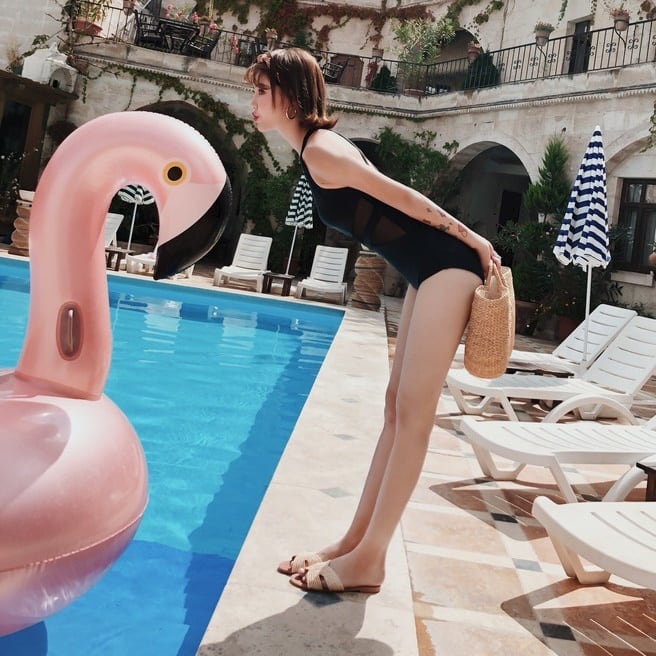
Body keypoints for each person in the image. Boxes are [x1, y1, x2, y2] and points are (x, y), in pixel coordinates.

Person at [245, 47, 501, 594]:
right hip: (425, 271)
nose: (254, 101)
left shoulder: (322, 151)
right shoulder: (315, 149)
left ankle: (372, 559)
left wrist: (475, 240)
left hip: (448, 267)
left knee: (412, 415)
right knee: (394, 407)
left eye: (262, 91)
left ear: (291, 95)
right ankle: (353, 543)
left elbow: (407, 200)